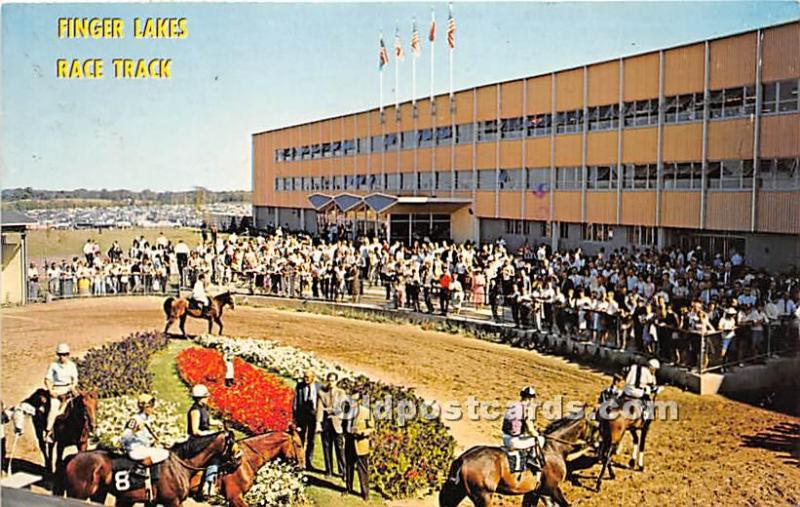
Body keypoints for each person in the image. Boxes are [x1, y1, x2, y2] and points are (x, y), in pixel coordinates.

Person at [120, 394, 169, 502]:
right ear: (145, 407)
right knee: (164, 453)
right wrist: (135, 430)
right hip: (135, 450)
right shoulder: (135, 419)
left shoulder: (147, 419)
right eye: (150, 406)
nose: (152, 409)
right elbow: (124, 437)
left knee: (163, 450)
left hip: (142, 448)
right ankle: (140, 468)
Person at [187, 384, 222, 500]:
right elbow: (195, 431)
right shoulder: (195, 410)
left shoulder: (204, 408)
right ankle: (208, 484)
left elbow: (207, 421)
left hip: (205, 439)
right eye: (206, 397)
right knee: (214, 454)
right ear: (199, 398)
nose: (208, 398)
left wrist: (216, 423)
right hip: (196, 441)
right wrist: (210, 434)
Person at [501, 386, 544, 471]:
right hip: (514, 442)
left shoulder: (513, 405)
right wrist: (537, 434)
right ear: (530, 398)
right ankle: (532, 459)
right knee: (540, 439)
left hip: (505, 438)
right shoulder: (526, 409)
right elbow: (530, 430)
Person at [44, 343, 79, 443]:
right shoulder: (53, 365)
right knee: (53, 410)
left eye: (64, 354)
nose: (62, 357)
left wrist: (73, 386)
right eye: (60, 355)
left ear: (68, 355)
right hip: (57, 390)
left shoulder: (72, 366)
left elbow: (75, 378)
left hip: (69, 389)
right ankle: (48, 432)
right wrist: (51, 391)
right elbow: (47, 379)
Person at [343, 392, 373, 500]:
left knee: (362, 470)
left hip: (360, 444)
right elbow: (343, 424)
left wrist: (361, 432)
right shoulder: (346, 410)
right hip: (349, 442)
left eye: (355, 401)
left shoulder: (366, 412)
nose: (352, 403)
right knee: (349, 467)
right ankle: (348, 488)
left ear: (360, 401)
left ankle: (365, 494)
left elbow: (372, 428)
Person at [317, 372, 346, 479]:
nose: (330, 382)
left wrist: (328, 410)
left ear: (336, 381)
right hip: (326, 424)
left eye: (333, 380)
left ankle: (343, 471)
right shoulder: (322, 393)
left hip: (337, 424)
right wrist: (318, 423)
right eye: (329, 380)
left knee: (340, 448)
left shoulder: (341, 393)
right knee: (326, 447)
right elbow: (319, 408)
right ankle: (328, 470)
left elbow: (340, 409)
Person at [292, 370, 319, 469]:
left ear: (313, 377)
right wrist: (295, 417)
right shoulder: (300, 386)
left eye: (308, 377)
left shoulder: (319, 387)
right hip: (302, 416)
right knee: (300, 439)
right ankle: (299, 460)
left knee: (311, 440)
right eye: (304, 377)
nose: (306, 379)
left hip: (313, 417)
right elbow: (295, 402)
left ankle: (309, 462)